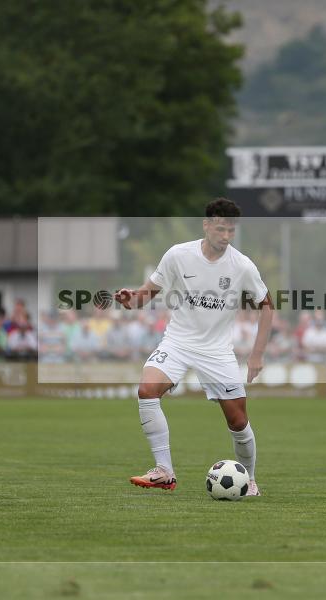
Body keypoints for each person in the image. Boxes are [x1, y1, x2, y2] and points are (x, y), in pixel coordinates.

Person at [115, 198, 272, 496]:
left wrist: (257, 353)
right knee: (147, 390)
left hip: (217, 351)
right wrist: (131, 299)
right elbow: (146, 294)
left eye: (231, 231)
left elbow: (267, 305)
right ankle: (164, 471)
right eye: (221, 229)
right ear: (207, 225)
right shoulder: (178, 255)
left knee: (238, 422)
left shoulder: (242, 266)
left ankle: (249, 480)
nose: (226, 236)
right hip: (178, 341)